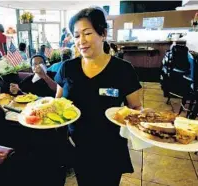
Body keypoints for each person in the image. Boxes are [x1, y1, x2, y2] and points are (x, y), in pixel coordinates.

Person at [55, 7, 142, 186]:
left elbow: (135, 108)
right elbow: (58, 103)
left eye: (87, 33)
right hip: (77, 144)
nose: (81, 41)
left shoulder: (123, 70)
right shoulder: (68, 67)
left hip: (110, 147)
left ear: (103, 33)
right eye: (77, 35)